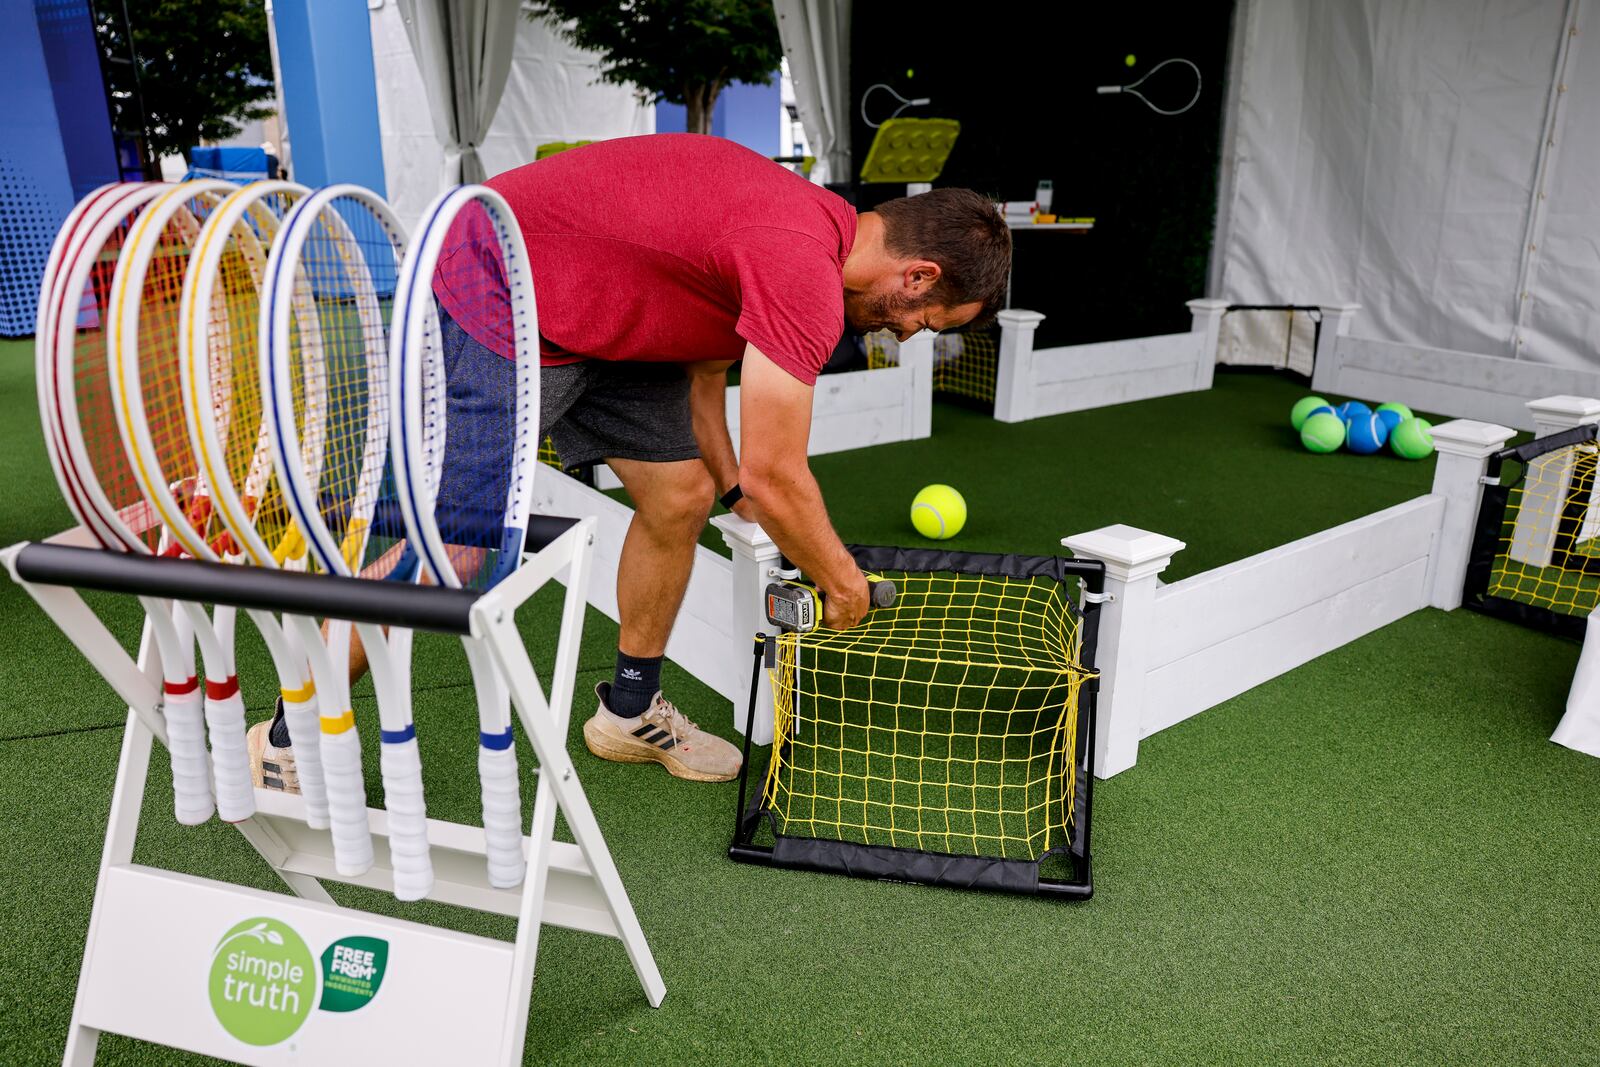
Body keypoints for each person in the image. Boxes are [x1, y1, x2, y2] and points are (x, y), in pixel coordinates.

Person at [249, 132, 1010, 789]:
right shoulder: (803, 266)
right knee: (460, 546)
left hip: (601, 314)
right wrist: (841, 585)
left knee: (680, 495)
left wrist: (732, 483)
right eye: (924, 320)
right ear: (919, 276)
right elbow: (786, 476)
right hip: (500, 284)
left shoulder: (809, 231)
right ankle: (288, 734)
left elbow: (709, 373)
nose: (907, 334)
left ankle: (628, 710)